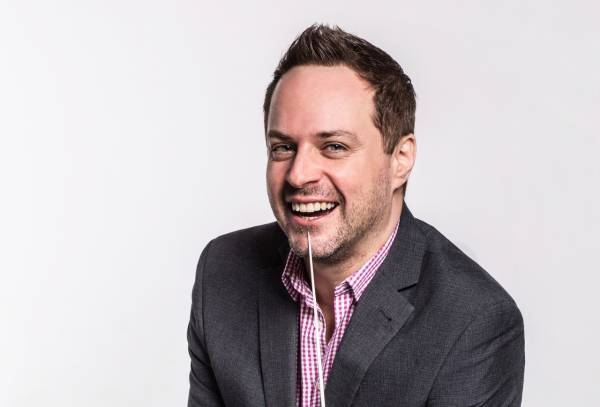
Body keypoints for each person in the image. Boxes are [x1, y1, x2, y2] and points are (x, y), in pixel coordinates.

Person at [187, 24, 525, 407]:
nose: (298, 175)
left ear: (400, 160)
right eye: (282, 147)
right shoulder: (223, 273)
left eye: (334, 146)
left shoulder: (473, 321)